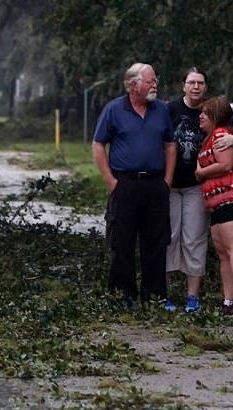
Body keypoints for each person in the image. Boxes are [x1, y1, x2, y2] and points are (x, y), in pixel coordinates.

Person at [165, 68, 233, 314]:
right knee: (169, 237)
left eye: (200, 83)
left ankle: (193, 296)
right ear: (183, 85)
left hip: (196, 188)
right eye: (191, 82)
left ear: (205, 87)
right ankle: (165, 293)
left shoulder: (213, 111)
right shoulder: (169, 110)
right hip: (171, 184)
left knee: (194, 239)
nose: (195, 87)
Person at [92, 62, 176, 307]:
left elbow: (170, 145)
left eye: (155, 81)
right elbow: (98, 145)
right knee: (122, 241)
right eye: (150, 81)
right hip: (125, 183)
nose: (155, 85)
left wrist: (167, 181)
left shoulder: (161, 110)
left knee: (157, 242)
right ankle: (122, 295)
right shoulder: (114, 110)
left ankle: (154, 295)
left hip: (155, 184)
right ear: (133, 84)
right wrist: (111, 181)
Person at [195, 96, 233, 317]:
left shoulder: (222, 134)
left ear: (216, 116)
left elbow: (225, 164)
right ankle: (229, 300)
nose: (200, 116)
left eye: (205, 113)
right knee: (223, 254)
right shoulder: (209, 138)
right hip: (217, 203)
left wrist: (201, 172)